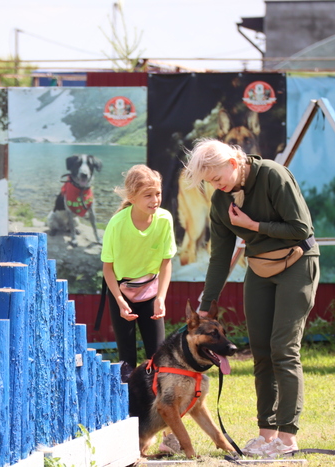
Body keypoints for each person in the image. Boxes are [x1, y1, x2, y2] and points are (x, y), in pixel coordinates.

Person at [182, 138, 320, 458]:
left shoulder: (273, 175)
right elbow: (220, 257)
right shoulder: (221, 201)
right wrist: (205, 305)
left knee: (283, 349)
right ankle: (266, 435)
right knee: (261, 351)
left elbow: (301, 228)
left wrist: (253, 225)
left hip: (298, 262)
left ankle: (287, 439)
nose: (216, 186)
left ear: (233, 162)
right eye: (209, 182)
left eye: (218, 178)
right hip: (260, 269)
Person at [101, 164, 177, 373]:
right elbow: (107, 269)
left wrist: (160, 298)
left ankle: (156, 394)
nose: (155, 200)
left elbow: (166, 262)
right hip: (121, 292)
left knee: (159, 359)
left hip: (151, 290)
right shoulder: (117, 224)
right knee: (127, 360)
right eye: (148, 195)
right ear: (132, 197)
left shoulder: (165, 219)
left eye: (158, 194)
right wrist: (120, 301)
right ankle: (127, 394)